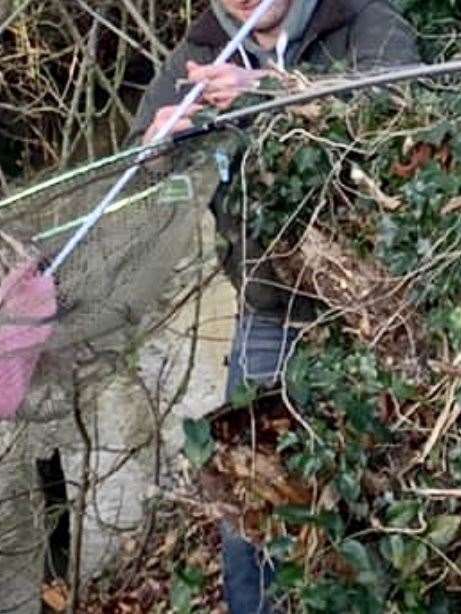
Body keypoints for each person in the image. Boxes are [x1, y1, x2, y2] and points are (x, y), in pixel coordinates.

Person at [128, 0, 419, 612]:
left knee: (387, 503)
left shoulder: (364, 20)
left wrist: (269, 89)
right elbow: (134, 176)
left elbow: (402, 111)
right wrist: (158, 148)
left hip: (387, 321)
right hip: (273, 313)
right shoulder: (198, 54)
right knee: (248, 507)